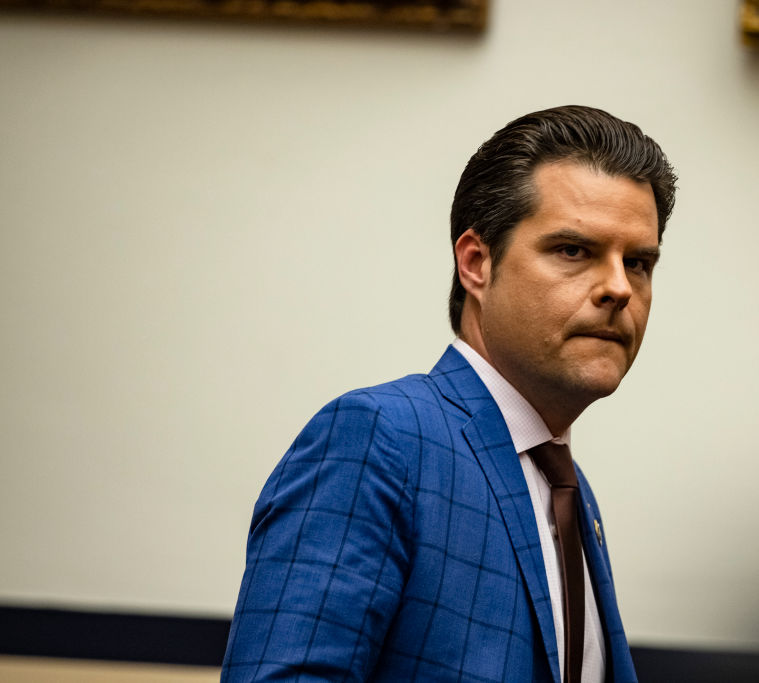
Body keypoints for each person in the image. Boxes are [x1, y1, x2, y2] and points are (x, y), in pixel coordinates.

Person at [221, 105, 676, 683]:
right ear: (477, 263)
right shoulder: (378, 439)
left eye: (638, 262)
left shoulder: (569, 490)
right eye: (573, 251)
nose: (618, 286)